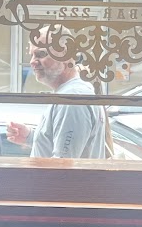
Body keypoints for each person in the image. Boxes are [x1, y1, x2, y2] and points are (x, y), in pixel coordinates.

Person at [7, 32, 109, 160]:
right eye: (32, 55)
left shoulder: (71, 100)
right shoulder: (69, 94)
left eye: (41, 54)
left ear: (65, 55)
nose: (32, 62)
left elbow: (62, 166)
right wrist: (30, 137)